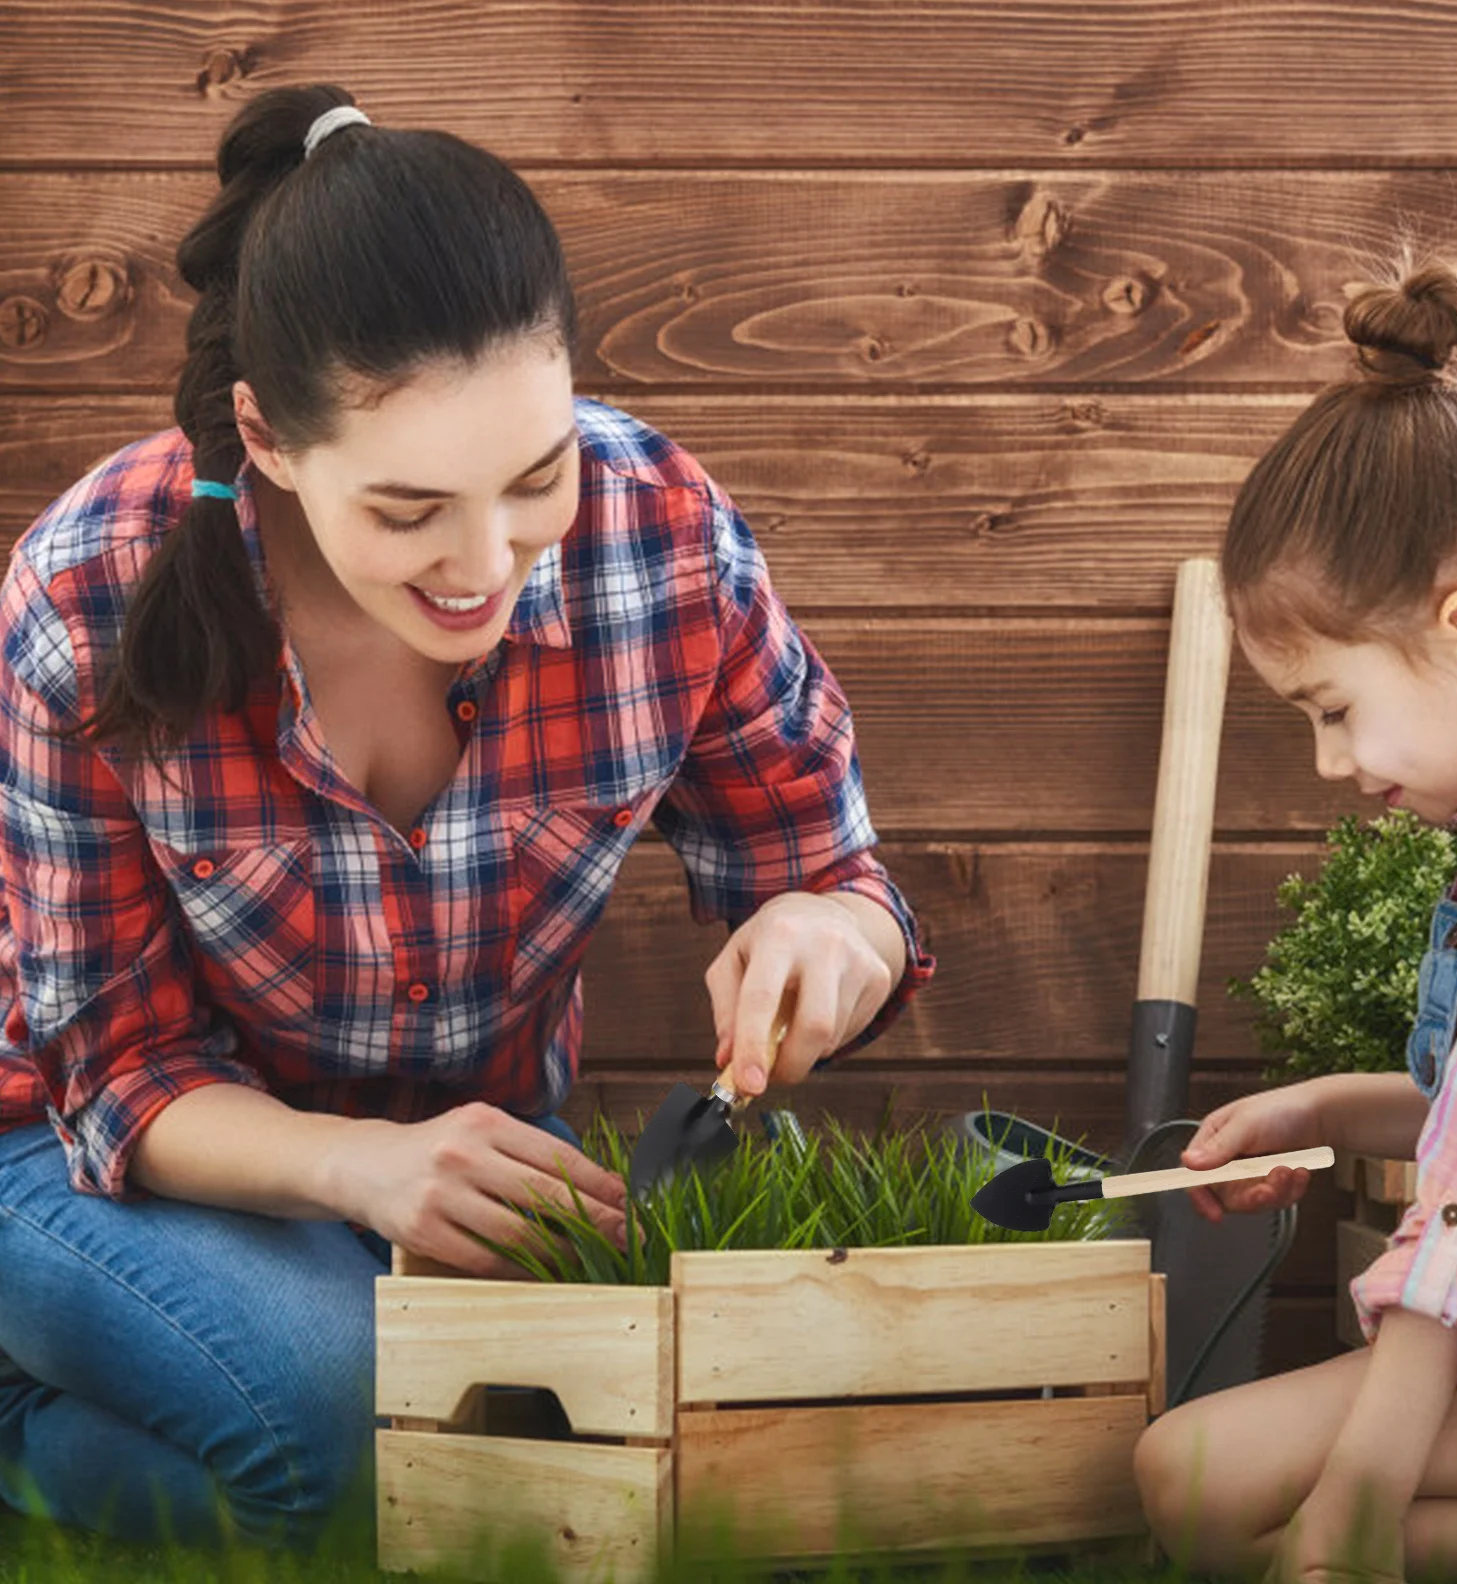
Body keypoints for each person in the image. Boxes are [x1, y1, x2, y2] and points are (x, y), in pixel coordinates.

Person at [0, 84, 933, 1551]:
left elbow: (832, 874)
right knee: (360, 1416)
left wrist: (830, 930)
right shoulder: (88, 587)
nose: (485, 563)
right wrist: (357, 1167)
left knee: (532, 1467)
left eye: (536, 476)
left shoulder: (662, 535)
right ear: (271, 437)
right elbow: (113, 1071)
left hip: (467, 1166)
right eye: (409, 509)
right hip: (88, 1162)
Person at [1133, 253, 1457, 1582]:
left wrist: (1357, 1496)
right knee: (1210, 1486)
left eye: (1334, 709)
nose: (1334, 765)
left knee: (1224, 1489)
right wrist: (1334, 1112)